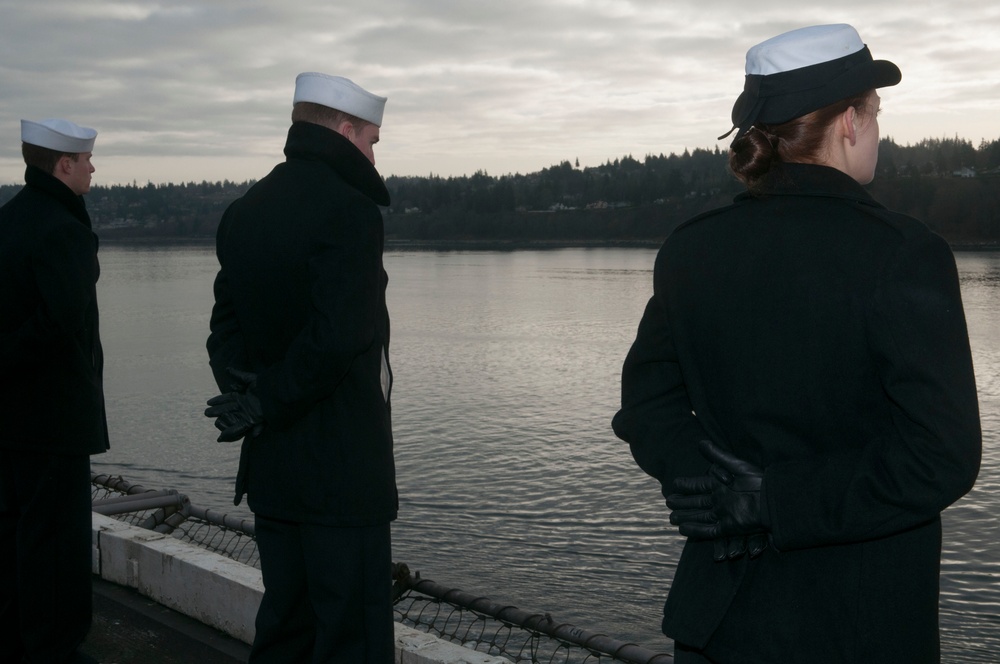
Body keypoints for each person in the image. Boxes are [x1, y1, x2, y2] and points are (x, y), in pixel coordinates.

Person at [611, 24, 982, 663]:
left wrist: (711, 488)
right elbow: (942, 455)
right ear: (847, 123)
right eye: (874, 114)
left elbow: (647, 408)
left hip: (718, 624)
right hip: (858, 628)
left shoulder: (692, 249)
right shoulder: (902, 254)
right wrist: (775, 499)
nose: (876, 133)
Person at [205, 72, 397, 663]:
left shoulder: (245, 210)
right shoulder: (352, 210)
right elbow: (340, 337)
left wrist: (249, 395)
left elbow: (225, 332)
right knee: (351, 638)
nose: (372, 152)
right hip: (341, 475)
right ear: (343, 130)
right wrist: (270, 398)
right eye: (371, 138)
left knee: (285, 626)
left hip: (272, 468)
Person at [0, 118, 107, 663]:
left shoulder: (9, 220)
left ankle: (20, 640)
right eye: (86, 160)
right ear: (63, 165)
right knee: (57, 545)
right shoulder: (63, 229)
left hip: (11, 420)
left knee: (17, 534)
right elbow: (59, 325)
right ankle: (56, 648)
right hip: (54, 419)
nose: (92, 167)